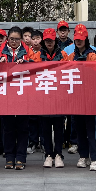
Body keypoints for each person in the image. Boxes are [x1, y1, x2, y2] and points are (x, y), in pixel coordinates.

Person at [0, 26, 30, 170]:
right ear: (7, 39)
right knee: (8, 127)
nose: (14, 42)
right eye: (11, 39)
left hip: (23, 94)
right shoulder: (0, 52)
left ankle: (21, 157)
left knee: (23, 127)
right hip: (7, 95)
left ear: (21, 39)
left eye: (17, 39)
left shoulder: (28, 52)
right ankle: (9, 157)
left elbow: (37, 66)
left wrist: (26, 63)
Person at [68, 25, 96, 171]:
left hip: (90, 98)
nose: (78, 41)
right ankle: (83, 156)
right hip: (76, 98)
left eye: (81, 39)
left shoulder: (92, 55)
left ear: (86, 39)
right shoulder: (71, 56)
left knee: (91, 130)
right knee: (79, 129)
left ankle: (95, 159)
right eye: (76, 39)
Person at [33, 29, 67, 168]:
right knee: (45, 128)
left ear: (55, 40)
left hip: (59, 97)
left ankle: (58, 154)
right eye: (46, 40)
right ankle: (48, 154)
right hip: (43, 96)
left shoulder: (63, 54)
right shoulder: (37, 55)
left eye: (51, 40)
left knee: (59, 128)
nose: (49, 43)